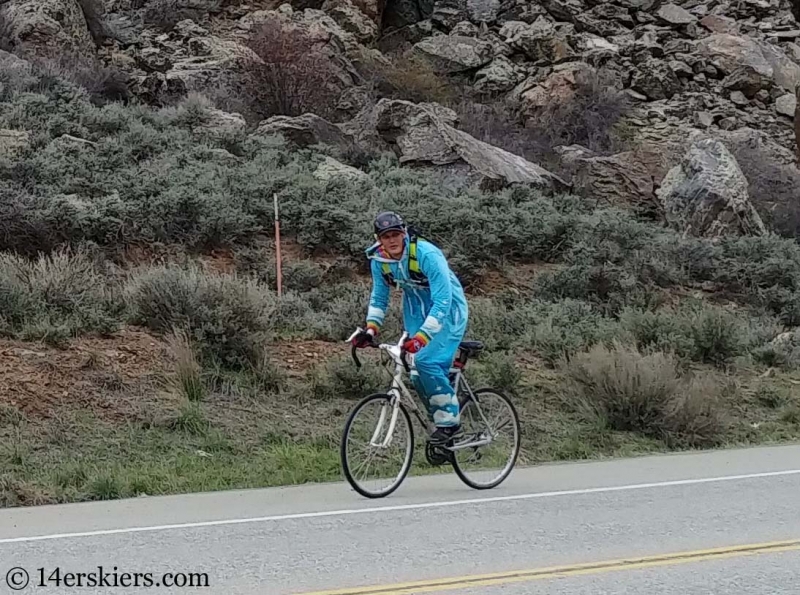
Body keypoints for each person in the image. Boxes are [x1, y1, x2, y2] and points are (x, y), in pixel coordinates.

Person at [351, 211, 469, 444]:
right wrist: (370, 329)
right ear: (378, 239)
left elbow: (443, 300)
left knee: (426, 361)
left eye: (396, 234)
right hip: (416, 313)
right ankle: (438, 422)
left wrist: (423, 338)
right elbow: (379, 297)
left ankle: (450, 425)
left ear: (404, 233)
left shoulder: (426, 254)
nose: (392, 240)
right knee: (415, 373)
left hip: (448, 311)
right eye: (386, 236)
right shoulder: (379, 261)